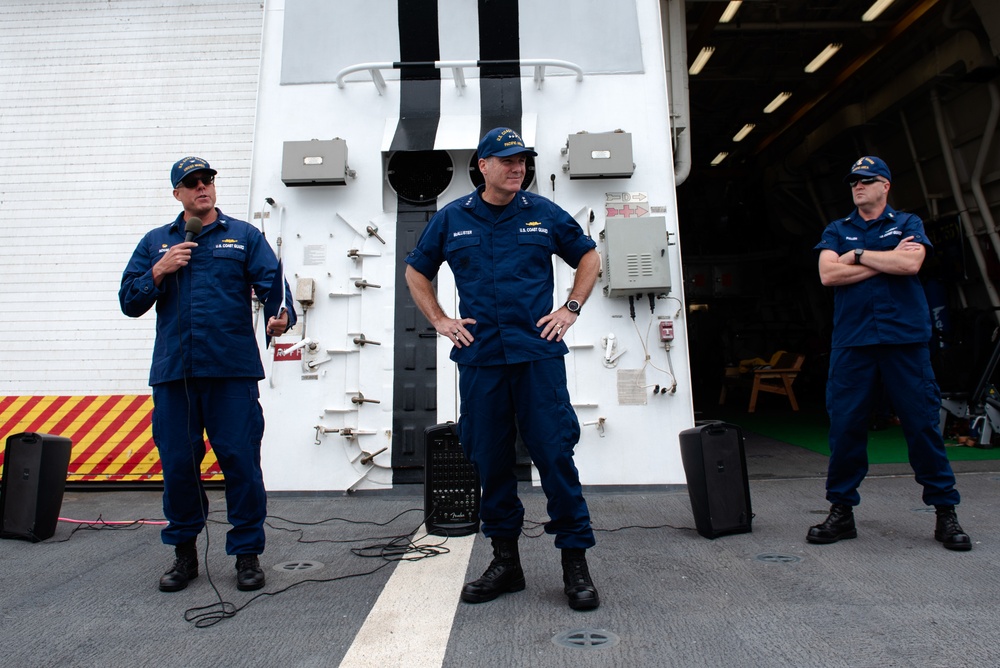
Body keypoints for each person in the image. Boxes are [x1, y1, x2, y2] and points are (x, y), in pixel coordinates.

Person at [404, 128, 602, 610]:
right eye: (508, 160)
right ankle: (505, 561)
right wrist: (440, 321)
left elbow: (589, 256)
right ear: (483, 166)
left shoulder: (542, 213)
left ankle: (575, 562)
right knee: (489, 462)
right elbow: (416, 270)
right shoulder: (453, 218)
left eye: (523, 161)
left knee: (555, 456)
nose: (518, 168)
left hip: (536, 358)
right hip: (482, 361)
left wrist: (571, 308)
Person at [119, 157, 296, 592]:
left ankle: (247, 555)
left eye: (208, 181)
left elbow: (274, 287)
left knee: (240, 463)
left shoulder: (243, 236)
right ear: (177, 193)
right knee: (179, 466)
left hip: (231, 372)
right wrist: (159, 271)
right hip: (174, 374)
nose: (203, 188)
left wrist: (281, 317)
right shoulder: (156, 242)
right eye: (192, 183)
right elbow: (128, 300)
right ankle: (184, 555)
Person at [809, 156, 971, 551]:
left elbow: (912, 263)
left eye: (866, 180)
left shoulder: (909, 224)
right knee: (846, 428)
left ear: (886, 185)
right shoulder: (837, 229)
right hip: (854, 343)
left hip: (904, 342)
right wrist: (886, 261)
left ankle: (945, 514)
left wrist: (859, 256)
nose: (858, 186)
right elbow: (828, 274)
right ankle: (841, 512)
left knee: (921, 426)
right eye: (853, 182)